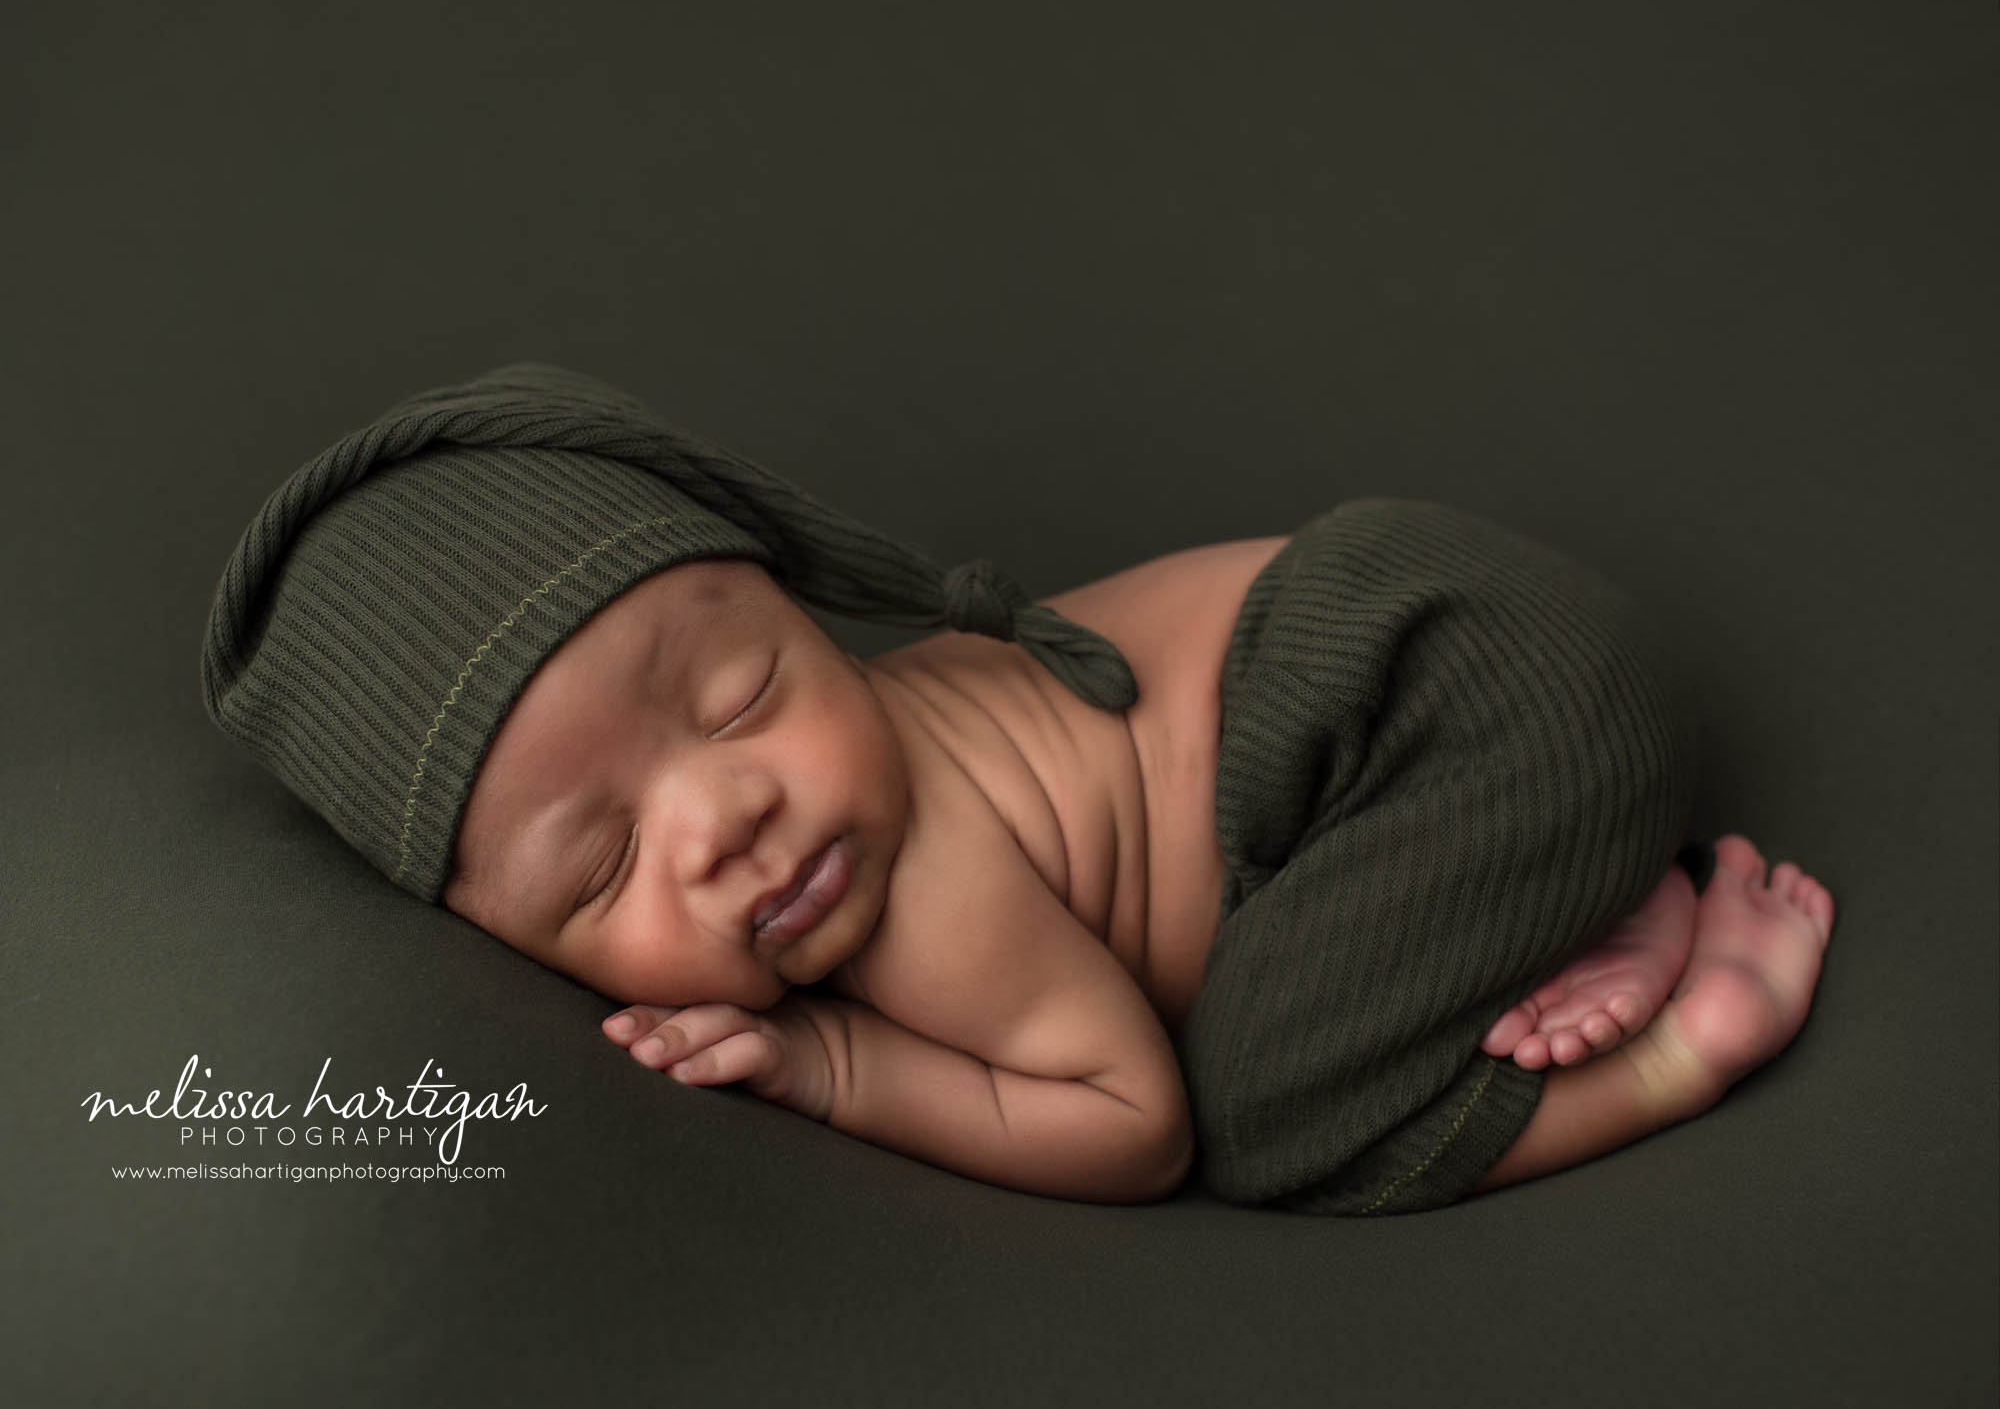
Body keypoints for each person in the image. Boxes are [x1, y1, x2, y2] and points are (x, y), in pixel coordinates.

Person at [201, 362, 1834, 1213]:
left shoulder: (917, 891)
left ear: (809, 605)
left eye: (743, 694)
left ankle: (1686, 1036)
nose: (726, 822)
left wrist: (841, 1068)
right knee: (1313, 957)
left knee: (1274, 1110)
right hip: (1478, 666)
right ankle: (1588, 899)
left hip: (1459, 696)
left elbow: (1134, 1128)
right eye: (604, 865)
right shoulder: (830, 798)